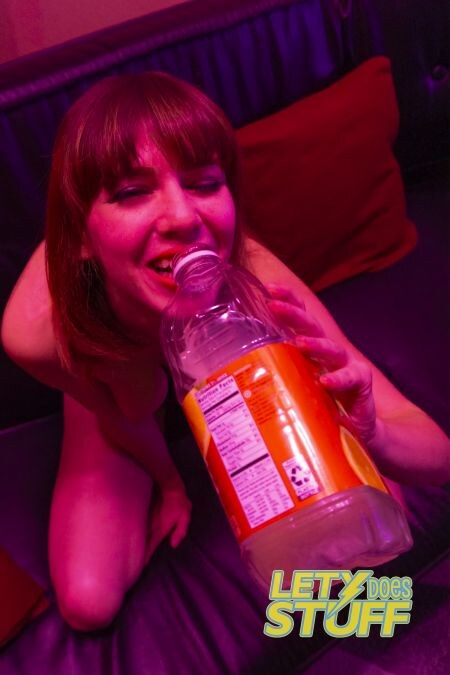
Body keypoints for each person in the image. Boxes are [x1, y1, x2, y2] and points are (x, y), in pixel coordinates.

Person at [1, 71, 448, 632]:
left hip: (226, 371)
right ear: (83, 238)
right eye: (132, 193)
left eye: (204, 184)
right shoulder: (38, 329)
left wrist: (371, 433)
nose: (184, 218)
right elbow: (130, 412)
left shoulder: (257, 283)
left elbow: (437, 455)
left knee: (364, 537)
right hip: (112, 373)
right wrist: (172, 485)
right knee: (88, 604)